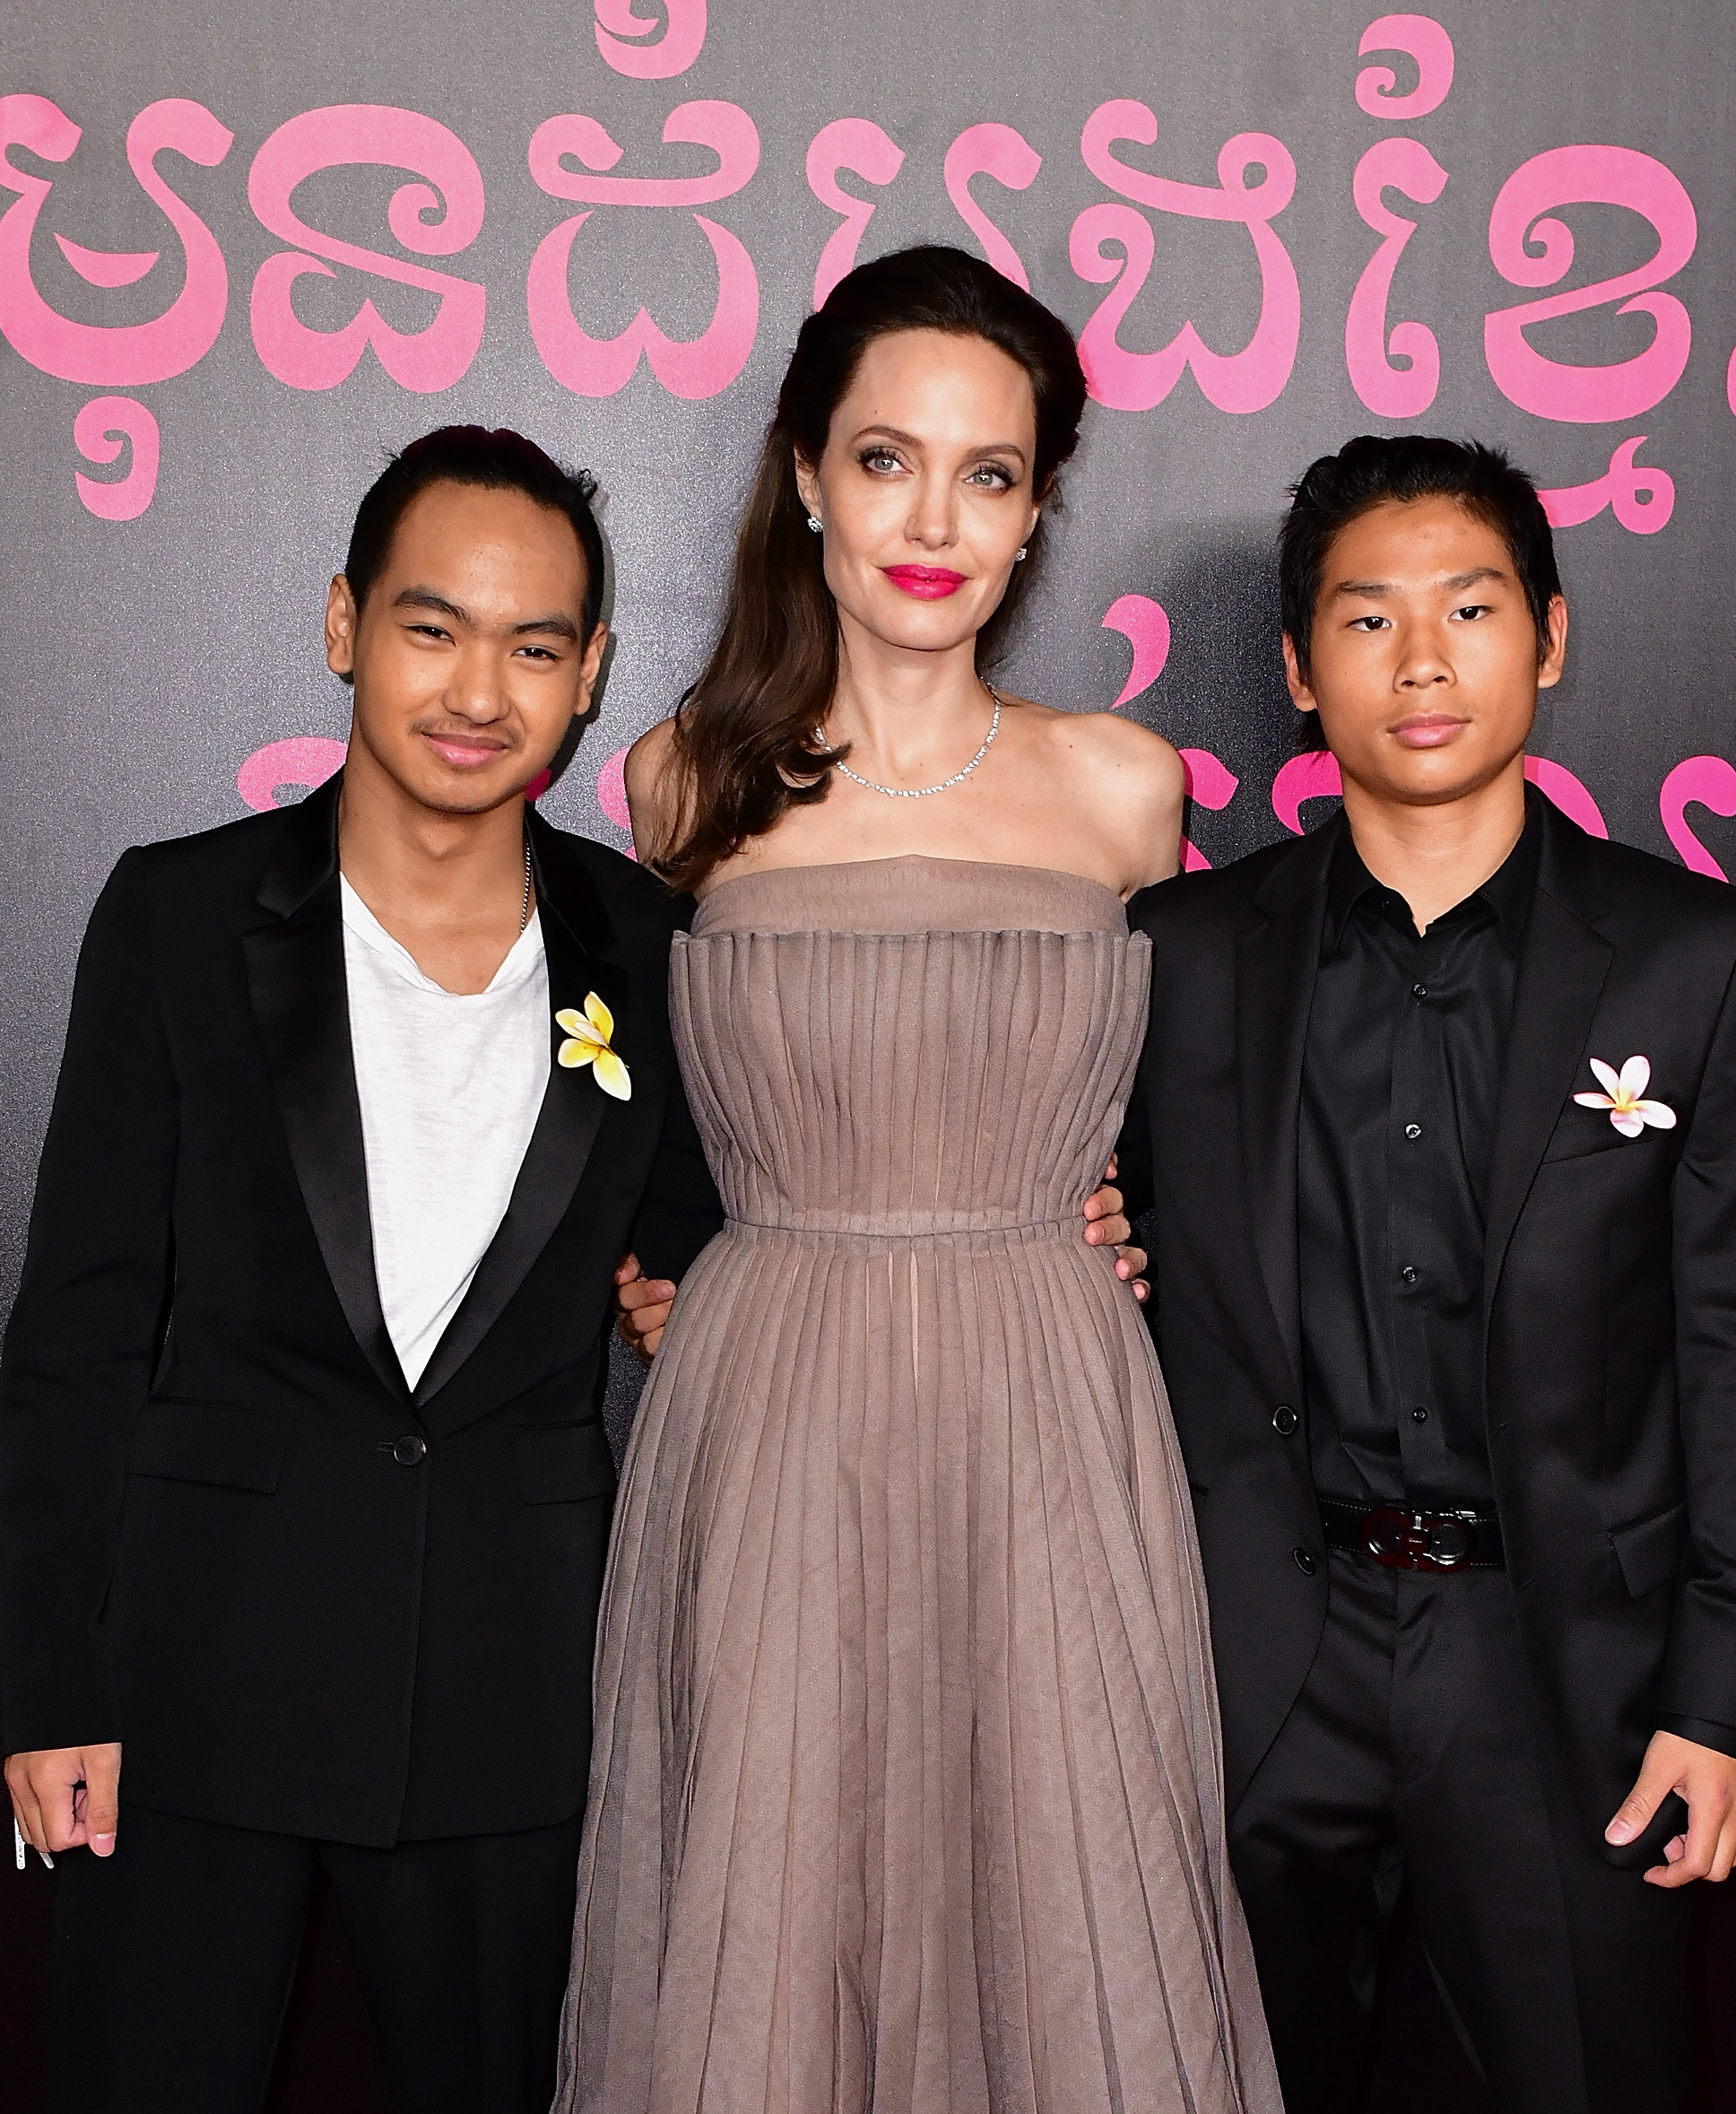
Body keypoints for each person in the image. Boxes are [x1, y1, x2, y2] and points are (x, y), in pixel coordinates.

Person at [561, 246, 1281, 2114]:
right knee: (768, 1929)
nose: (933, 520)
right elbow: (620, 1108)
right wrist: (669, 1261)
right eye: (887, 460)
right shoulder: (676, 788)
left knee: (1069, 1914)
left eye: (989, 472)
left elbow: (1187, 1118)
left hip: (1047, 1403)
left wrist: (1097, 1204)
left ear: (1039, 509)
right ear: (804, 472)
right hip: (776, 1406)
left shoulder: (1128, 790)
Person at [0, 425, 726, 2114]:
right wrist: (57, 1690)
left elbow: (709, 1250)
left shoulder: (652, 946)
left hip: (514, 1692)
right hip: (193, 1690)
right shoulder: (177, 919)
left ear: (590, 673)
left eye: (535, 646)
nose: (480, 687)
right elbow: (80, 1331)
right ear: (343, 625)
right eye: (431, 626)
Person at [1118, 436, 1736, 2114]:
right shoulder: (1177, 959)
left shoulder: (1690, 961)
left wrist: (1726, 1703)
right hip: (1262, 1660)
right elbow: (1086, 1234)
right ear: (1296, 671)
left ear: (1549, 637)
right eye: (1365, 620)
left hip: (1563, 1664)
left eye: (1471, 607)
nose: (1421, 660)